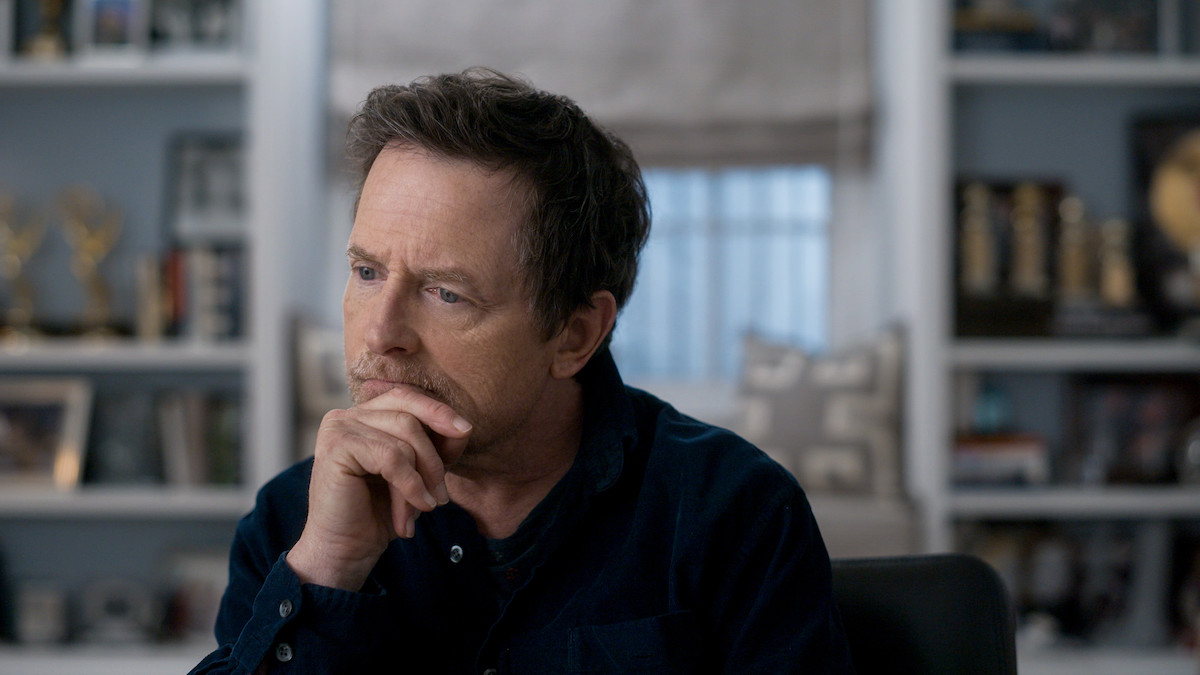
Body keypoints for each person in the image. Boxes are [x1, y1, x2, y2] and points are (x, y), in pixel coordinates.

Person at [192, 67, 854, 674]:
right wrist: (327, 569)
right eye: (367, 272)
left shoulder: (734, 511)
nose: (381, 333)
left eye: (445, 292)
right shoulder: (294, 523)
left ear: (575, 334)